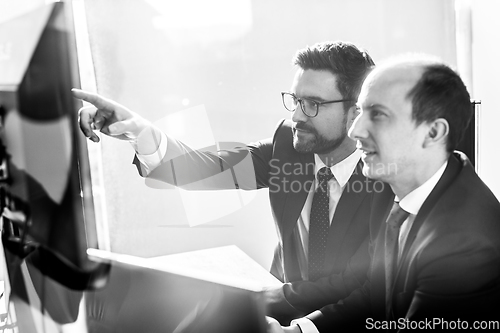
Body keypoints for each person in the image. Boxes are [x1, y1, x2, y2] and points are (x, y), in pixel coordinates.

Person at [74, 41, 384, 324]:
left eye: (313, 104)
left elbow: (356, 285)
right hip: (274, 319)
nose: (298, 116)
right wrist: (138, 130)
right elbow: (204, 168)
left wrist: (248, 301)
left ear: (355, 114)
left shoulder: (388, 179)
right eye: (296, 100)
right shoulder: (288, 147)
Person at [268, 55, 500, 332]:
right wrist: (297, 331)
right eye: (360, 112)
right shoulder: (392, 190)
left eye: (378, 115)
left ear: (433, 132)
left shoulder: (463, 247)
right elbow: (373, 294)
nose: (355, 131)